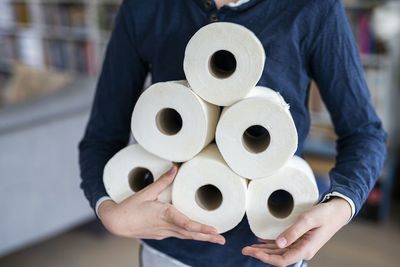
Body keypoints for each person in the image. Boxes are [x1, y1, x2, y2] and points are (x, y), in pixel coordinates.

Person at [78, 0, 387, 266]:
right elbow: (102, 136)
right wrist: (107, 211)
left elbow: (363, 132)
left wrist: (340, 207)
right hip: (167, 252)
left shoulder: (313, 7)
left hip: (271, 247)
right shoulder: (146, 6)